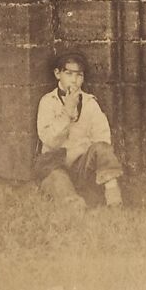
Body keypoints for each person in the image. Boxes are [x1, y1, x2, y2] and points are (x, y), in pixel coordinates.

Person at [34, 50, 123, 214]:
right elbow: (50, 140)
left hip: (82, 164)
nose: (74, 80)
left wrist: (83, 150)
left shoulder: (90, 103)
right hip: (56, 164)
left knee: (102, 148)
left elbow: (103, 139)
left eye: (79, 75)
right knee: (58, 180)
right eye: (68, 74)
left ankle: (114, 199)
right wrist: (67, 110)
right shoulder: (48, 102)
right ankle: (75, 206)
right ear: (57, 74)